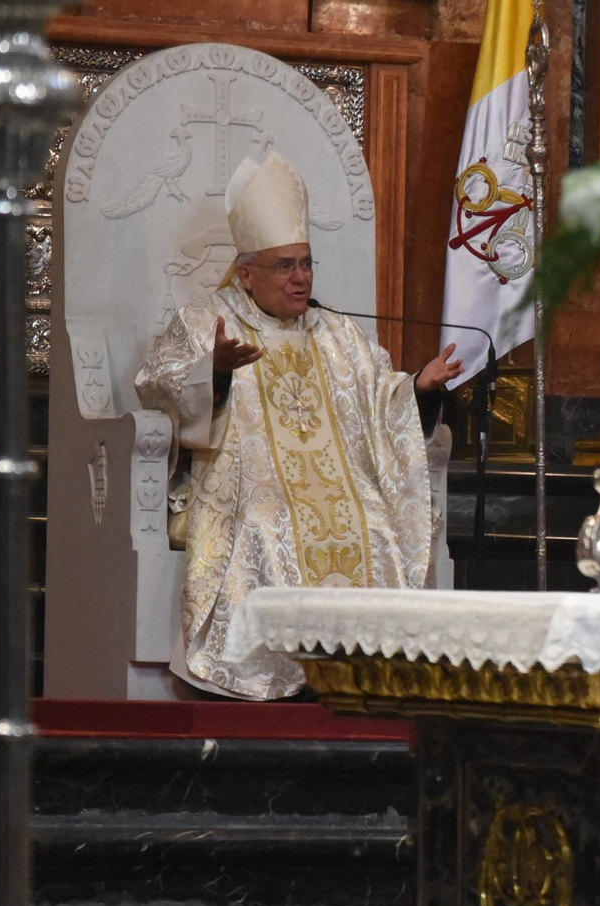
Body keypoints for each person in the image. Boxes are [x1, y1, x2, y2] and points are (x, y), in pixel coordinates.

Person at [136, 151, 462, 699]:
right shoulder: (206, 322)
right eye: (285, 266)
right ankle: (280, 681)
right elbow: (158, 386)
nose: (300, 278)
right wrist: (211, 372)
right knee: (269, 526)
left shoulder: (339, 334)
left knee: (376, 529)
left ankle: (361, 680)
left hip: (344, 491)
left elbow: (383, 403)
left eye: (306, 264)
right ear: (246, 274)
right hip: (245, 490)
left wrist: (418, 391)